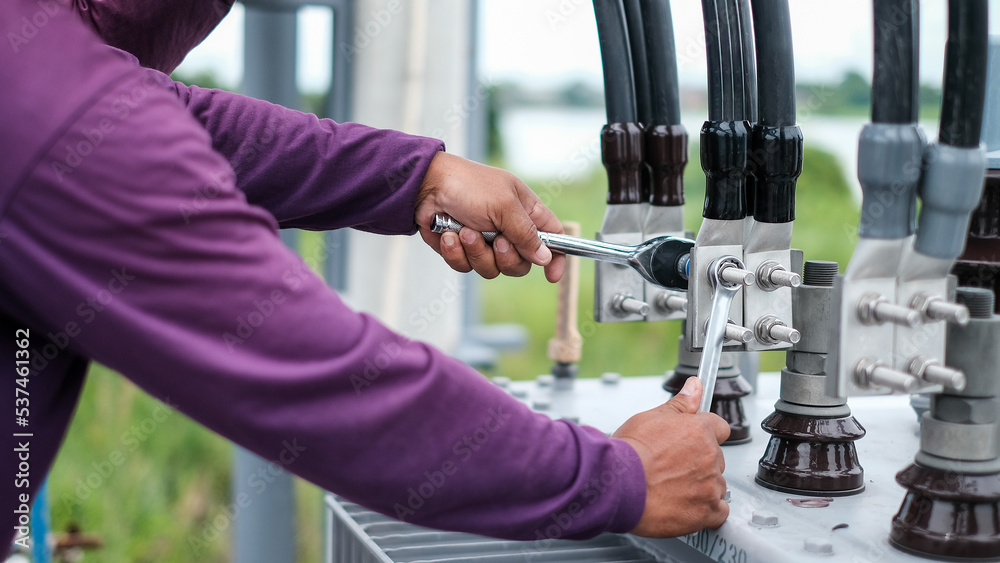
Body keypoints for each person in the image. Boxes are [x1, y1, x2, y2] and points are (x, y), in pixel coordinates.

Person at [1, 0, 729, 550]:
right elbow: (317, 372)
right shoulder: (48, 105)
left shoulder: (38, 52)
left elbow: (173, 120)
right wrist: (618, 478)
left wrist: (417, 175)